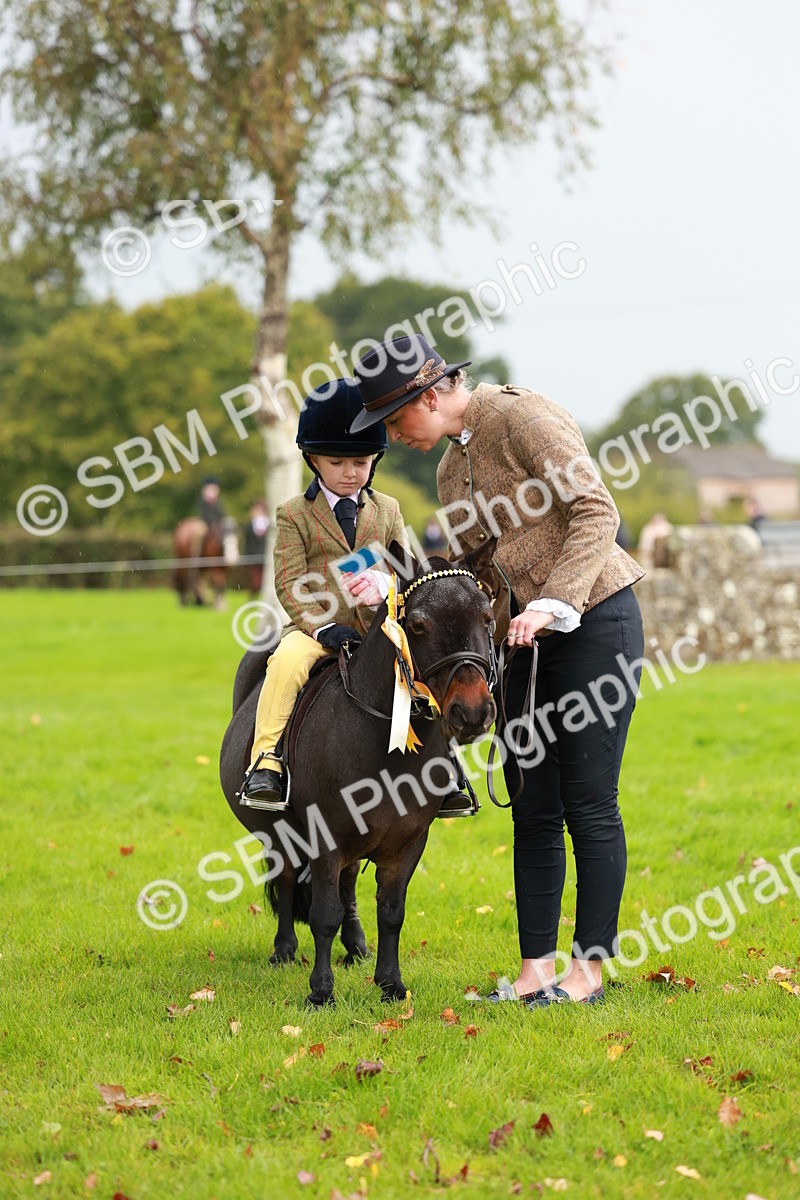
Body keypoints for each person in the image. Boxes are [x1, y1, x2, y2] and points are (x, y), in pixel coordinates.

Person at [350, 334, 646, 1008]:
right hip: (519, 647)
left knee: (589, 805)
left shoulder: (523, 418)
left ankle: (587, 974)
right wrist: (393, 587)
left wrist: (553, 603)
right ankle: (534, 972)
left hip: (594, 622)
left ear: (431, 395)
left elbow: (597, 511)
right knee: (533, 807)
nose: (394, 436)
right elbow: (471, 575)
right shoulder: (448, 475)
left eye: (396, 421)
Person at [240, 377, 474, 818]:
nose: (351, 473)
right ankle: (267, 760)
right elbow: (289, 580)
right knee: (286, 662)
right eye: (337, 463)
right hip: (316, 629)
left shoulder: (387, 510)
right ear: (313, 459)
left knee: (425, 663)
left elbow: (403, 569)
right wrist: (321, 624)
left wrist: (386, 587)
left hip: (380, 625)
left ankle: (445, 767)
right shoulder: (293, 514)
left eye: (362, 463)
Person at [243, 499, 270, 595]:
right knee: (255, 580)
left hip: (265, 555)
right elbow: (248, 542)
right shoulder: (249, 525)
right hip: (253, 555)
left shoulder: (269, 524)